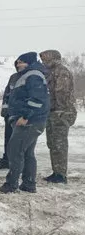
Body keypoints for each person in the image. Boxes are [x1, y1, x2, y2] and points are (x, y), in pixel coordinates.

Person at [0, 52, 49, 194]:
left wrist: (25, 116)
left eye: (21, 62)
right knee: (27, 153)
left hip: (29, 122)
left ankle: (11, 185)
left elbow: (37, 100)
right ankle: (29, 184)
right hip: (31, 121)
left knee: (15, 151)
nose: (18, 64)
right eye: (17, 62)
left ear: (29, 62)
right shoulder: (27, 75)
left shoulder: (33, 75)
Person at [40, 49, 78, 184]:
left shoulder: (61, 72)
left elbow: (62, 93)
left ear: (53, 58)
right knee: (52, 143)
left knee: (59, 144)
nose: (44, 62)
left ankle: (61, 175)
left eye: (46, 59)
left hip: (61, 112)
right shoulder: (50, 72)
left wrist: (60, 111)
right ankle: (56, 171)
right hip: (52, 112)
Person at [0, 60, 20, 170]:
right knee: (8, 138)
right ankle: (6, 160)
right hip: (9, 114)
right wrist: (4, 111)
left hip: (20, 115)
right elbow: (7, 94)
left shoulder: (29, 77)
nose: (18, 66)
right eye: (17, 65)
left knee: (19, 141)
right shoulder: (13, 77)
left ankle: (18, 163)